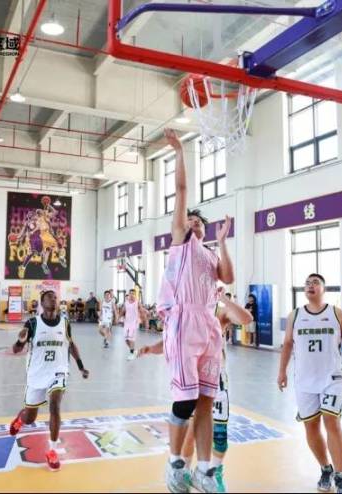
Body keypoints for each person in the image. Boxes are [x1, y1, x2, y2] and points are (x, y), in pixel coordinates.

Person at [156, 129, 234, 494]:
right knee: (185, 399)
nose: (194, 222)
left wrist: (222, 241)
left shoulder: (209, 253)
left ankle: (203, 470)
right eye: (190, 219)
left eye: (199, 221)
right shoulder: (180, 243)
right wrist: (179, 151)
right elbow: (183, 191)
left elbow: (228, 276)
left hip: (208, 325)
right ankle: (174, 462)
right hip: (184, 321)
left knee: (206, 401)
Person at [140, 288, 252, 493]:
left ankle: (215, 471)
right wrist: (151, 349)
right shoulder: (185, 312)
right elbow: (171, 341)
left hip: (216, 379)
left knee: (220, 437)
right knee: (190, 433)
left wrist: (225, 299)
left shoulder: (219, 311)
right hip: (192, 379)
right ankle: (183, 474)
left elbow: (246, 319)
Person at [277, 273, 342, 494]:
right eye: (307, 283)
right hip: (304, 380)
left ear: (324, 289)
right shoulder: (295, 315)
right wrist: (281, 372)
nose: (310, 285)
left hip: (332, 379)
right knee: (311, 426)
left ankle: (340, 476)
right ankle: (325, 468)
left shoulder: (337, 314)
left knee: (332, 422)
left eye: (315, 282)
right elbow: (287, 344)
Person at [8, 290, 89, 471]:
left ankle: (52, 450)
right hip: (37, 374)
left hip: (58, 371)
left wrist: (81, 366)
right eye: (49, 298)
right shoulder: (32, 323)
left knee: (55, 405)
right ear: (42, 303)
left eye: (55, 298)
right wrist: (20, 342)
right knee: (30, 418)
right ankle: (20, 419)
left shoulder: (65, 323)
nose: (54, 300)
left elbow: (71, 344)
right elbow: (15, 350)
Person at [120, 291, 147, 361]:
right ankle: (134, 351)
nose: (131, 295)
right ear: (129, 295)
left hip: (134, 323)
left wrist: (145, 321)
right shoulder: (126, 303)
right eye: (130, 294)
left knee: (131, 338)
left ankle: (131, 353)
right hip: (127, 322)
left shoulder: (137, 302)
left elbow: (142, 311)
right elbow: (122, 311)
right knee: (126, 339)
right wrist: (119, 318)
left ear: (135, 295)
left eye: (133, 294)